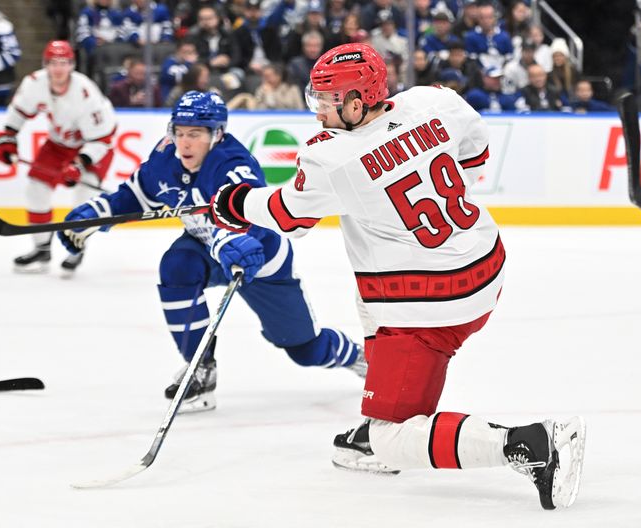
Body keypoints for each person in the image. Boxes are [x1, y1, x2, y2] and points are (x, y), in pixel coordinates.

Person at [208, 43, 586, 510]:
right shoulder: (433, 100)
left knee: (391, 440)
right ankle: (385, 403)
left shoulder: (331, 157)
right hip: (485, 261)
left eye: (327, 102)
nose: (319, 111)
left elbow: (289, 218)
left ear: (355, 102)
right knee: (368, 285)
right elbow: (475, 147)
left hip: (429, 304)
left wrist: (233, 201)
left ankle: (527, 443)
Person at [57, 91, 366, 413]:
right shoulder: (165, 157)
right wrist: (94, 214)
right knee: (176, 266)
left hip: (259, 258)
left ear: (216, 134)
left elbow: (251, 216)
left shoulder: (233, 163)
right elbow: (133, 196)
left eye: (195, 134)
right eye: (179, 133)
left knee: (305, 349)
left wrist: (229, 238)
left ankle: (356, 356)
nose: (185, 143)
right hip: (205, 249)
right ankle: (200, 369)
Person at [0, 40, 117, 276]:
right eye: (53, 63)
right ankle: (41, 248)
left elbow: (102, 140)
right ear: (46, 65)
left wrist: (79, 164)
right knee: (36, 189)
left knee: (84, 199)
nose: (58, 68)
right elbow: (19, 112)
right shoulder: (34, 83)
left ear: (72, 65)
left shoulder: (85, 93)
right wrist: (8, 138)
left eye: (64, 63)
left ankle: (76, 248)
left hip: (94, 145)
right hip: (59, 143)